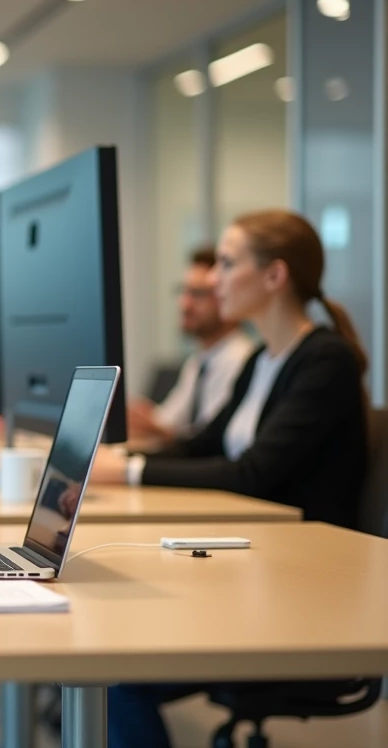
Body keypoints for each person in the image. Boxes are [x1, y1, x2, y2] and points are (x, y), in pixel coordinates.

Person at [91, 209, 369, 748]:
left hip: (305, 590)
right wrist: (116, 459)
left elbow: (253, 472)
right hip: (255, 566)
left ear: (274, 276)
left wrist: (128, 471)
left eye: (226, 263)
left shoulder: (323, 361)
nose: (213, 279)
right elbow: (199, 445)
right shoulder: (264, 359)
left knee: (112, 675)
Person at [127, 246, 255, 441]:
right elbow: (166, 421)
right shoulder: (199, 362)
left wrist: (155, 428)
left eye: (198, 294)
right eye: (184, 291)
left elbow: (210, 442)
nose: (184, 304)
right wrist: (140, 416)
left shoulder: (242, 362)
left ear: (226, 295)